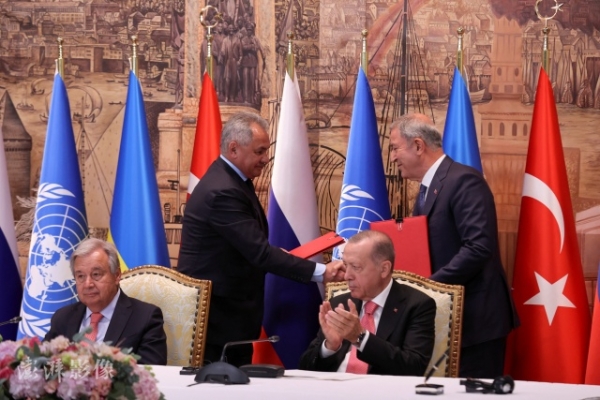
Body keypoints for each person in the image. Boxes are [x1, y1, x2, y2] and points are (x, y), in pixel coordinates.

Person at [178, 111, 345, 367]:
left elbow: (246, 245)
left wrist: (278, 254)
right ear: (234, 148)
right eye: (260, 151)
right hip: (217, 321)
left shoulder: (231, 179)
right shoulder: (223, 190)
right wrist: (322, 272)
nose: (266, 159)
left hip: (230, 315)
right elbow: (259, 254)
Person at [388, 113, 519, 378]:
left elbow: (478, 247)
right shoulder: (429, 188)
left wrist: (428, 287)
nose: (392, 157)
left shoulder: (463, 181)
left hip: (475, 321)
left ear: (418, 146)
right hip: (447, 317)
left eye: (395, 148)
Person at [299, 230, 435, 376]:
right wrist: (329, 347)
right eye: (345, 265)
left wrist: (360, 338)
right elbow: (305, 369)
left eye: (355, 267)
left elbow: (414, 368)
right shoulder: (339, 303)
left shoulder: (417, 305)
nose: (347, 275)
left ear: (384, 269)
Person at [44, 238, 167, 365]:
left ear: (117, 275)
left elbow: (151, 372)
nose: (88, 284)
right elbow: (42, 363)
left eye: (96, 274)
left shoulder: (145, 318)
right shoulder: (62, 318)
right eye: (80, 276)